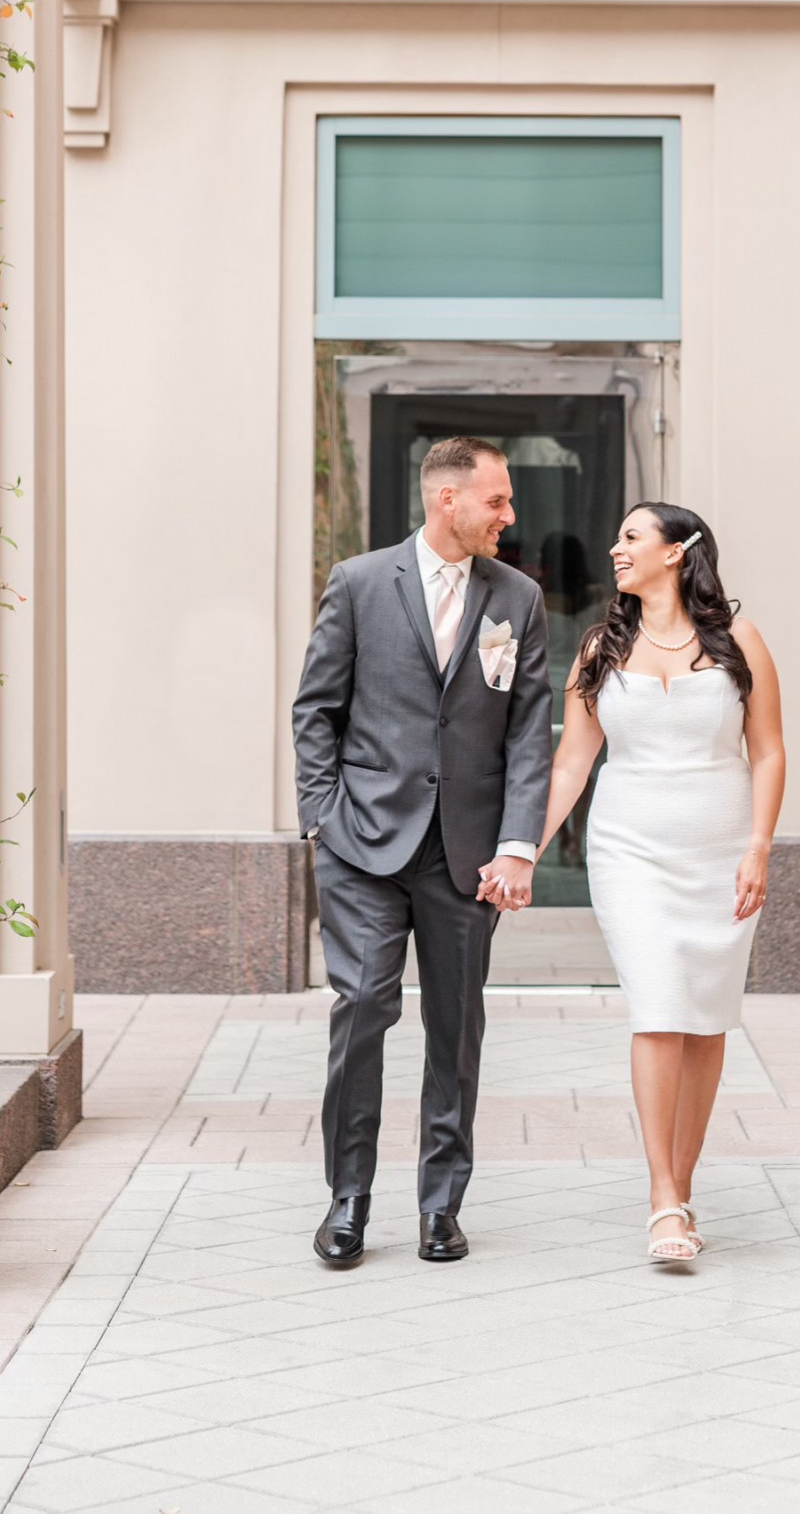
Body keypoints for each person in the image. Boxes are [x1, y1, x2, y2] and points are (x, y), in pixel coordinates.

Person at [484, 501, 784, 1265]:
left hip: (720, 852)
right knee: (657, 1007)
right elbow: (571, 765)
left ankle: (682, 1183)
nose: (615, 549)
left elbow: (769, 750)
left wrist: (758, 848)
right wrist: (521, 851)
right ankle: (662, 1197)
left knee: (705, 1019)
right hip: (629, 852)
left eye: (631, 536)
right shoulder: (601, 646)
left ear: (676, 551)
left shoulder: (739, 639)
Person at [293, 435, 552, 1268]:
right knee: (363, 1007)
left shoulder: (518, 597)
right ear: (449, 498)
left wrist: (516, 845)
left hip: (467, 855)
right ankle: (348, 1197)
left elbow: (529, 733)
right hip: (362, 844)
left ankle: (442, 1204)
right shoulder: (360, 582)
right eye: (497, 500)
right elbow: (316, 710)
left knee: (457, 1025)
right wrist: (322, 816)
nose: (508, 514)